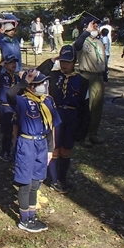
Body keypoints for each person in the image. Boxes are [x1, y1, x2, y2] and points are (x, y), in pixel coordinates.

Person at [7, 69, 61, 232]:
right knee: (26, 182)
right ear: (30, 86)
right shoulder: (22, 101)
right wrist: (25, 81)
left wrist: (51, 149)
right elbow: (10, 94)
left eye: (43, 83)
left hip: (42, 144)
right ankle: (24, 219)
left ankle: (32, 214)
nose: (43, 86)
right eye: (38, 84)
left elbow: (50, 126)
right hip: (27, 144)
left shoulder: (47, 101)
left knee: (37, 181)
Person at [37, 45, 89, 193]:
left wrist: (83, 129)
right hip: (55, 115)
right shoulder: (52, 76)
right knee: (54, 148)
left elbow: (85, 108)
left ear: (75, 62)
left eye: (68, 61)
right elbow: (36, 74)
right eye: (62, 61)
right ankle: (54, 180)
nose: (65, 64)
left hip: (72, 117)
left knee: (66, 149)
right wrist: (52, 61)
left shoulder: (83, 81)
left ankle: (63, 178)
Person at [74, 17, 107, 145]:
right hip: (86, 76)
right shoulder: (83, 41)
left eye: (96, 26)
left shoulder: (99, 42)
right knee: (86, 107)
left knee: (97, 107)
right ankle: (84, 136)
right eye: (93, 25)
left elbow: (104, 60)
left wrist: (105, 77)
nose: (96, 27)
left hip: (98, 76)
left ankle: (93, 133)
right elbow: (76, 46)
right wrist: (86, 31)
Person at [0, 54, 21, 161]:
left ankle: (15, 151)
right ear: (6, 64)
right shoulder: (2, 77)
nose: (13, 64)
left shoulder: (17, 78)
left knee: (17, 130)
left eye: (15, 62)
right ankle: (5, 152)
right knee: (7, 131)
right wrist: (0, 67)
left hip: (16, 107)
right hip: (6, 107)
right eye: (10, 62)